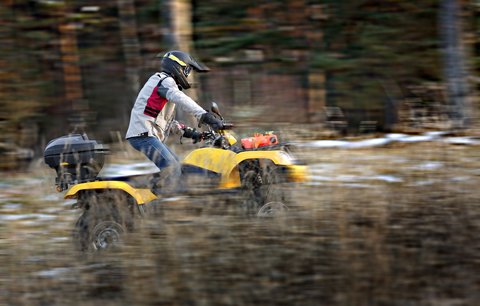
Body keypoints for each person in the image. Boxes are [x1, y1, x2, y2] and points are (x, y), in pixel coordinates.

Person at [125, 50, 223, 189]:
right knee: (172, 168)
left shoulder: (162, 84)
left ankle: (209, 185)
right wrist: (204, 115)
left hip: (145, 135)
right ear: (178, 67)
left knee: (179, 167)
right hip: (143, 136)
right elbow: (181, 98)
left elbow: (166, 122)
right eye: (187, 70)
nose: (188, 74)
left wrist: (194, 134)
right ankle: (165, 201)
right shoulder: (165, 81)